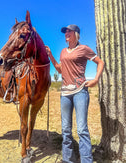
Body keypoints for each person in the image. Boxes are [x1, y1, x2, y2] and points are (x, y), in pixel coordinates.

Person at [46, 24, 104, 163]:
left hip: (80, 92)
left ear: (76, 33)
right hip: (65, 93)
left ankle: (86, 160)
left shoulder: (83, 49)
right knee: (66, 130)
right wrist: (51, 56)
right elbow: (60, 70)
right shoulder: (63, 51)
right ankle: (68, 160)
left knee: (82, 129)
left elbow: (100, 62)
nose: (66, 33)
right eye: (65, 32)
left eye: (69, 31)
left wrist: (96, 79)